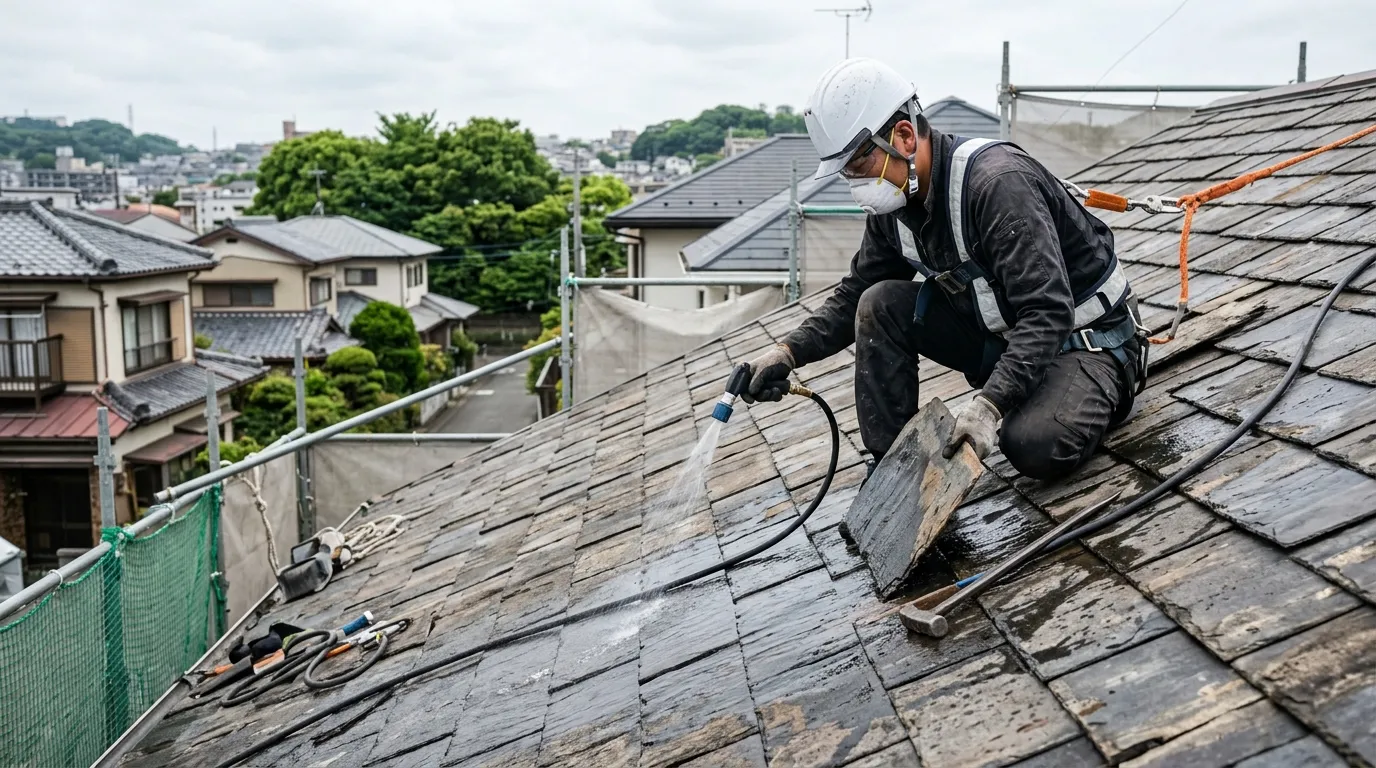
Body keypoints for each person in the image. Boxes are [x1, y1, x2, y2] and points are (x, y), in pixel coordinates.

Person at [744, 58, 1146, 481]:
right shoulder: (894, 205)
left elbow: (1047, 313)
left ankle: (1096, 391)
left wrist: (990, 406)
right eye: (846, 172)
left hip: (1089, 343)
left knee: (1033, 444)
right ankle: (893, 473)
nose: (855, 184)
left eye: (859, 167)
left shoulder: (995, 185)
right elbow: (856, 292)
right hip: (1009, 342)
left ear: (903, 136)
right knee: (878, 302)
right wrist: (788, 352)